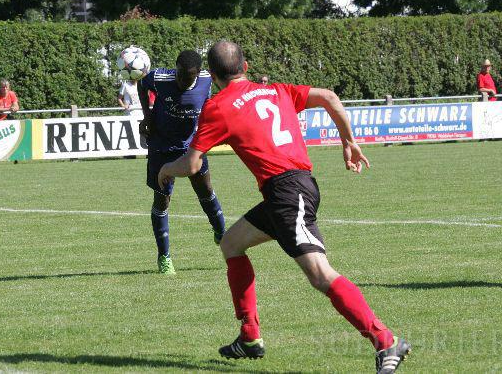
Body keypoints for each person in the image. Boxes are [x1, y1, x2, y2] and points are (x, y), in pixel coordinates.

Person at [158, 41, 410, 373]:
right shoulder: (276, 90)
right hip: (286, 191)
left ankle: (385, 341)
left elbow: (191, 165)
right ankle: (249, 337)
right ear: (245, 67)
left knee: (320, 274)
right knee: (232, 243)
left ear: (214, 76)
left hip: (288, 193)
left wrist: (165, 170)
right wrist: (348, 141)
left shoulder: (218, 106)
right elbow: (330, 97)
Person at [137, 50, 226, 275]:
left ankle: (221, 232)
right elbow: (141, 85)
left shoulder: (206, 79)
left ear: (198, 73)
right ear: (175, 67)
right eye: (180, 74)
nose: (183, 80)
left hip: (191, 148)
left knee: (205, 191)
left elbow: (209, 103)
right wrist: (147, 116)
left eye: (189, 77)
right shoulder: (160, 78)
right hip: (162, 147)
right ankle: (164, 257)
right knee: (162, 200)